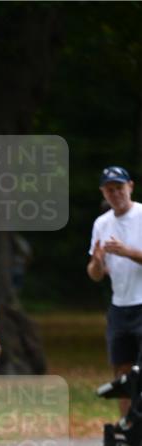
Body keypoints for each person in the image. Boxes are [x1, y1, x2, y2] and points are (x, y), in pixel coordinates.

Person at [87, 166, 142, 417]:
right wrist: (97, 262)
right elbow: (95, 274)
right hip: (119, 307)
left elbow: (127, 254)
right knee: (122, 373)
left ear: (130, 186)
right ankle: (127, 428)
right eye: (110, 190)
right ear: (103, 193)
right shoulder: (101, 224)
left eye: (119, 188)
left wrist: (127, 251)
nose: (115, 194)